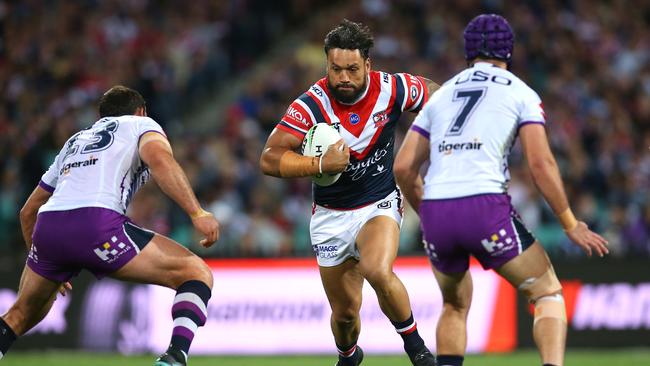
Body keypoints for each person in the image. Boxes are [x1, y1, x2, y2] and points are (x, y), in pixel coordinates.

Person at [394, 14, 609, 366]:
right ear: (509, 51)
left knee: (454, 305)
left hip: (436, 210)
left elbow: (403, 167)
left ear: (467, 52)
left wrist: (428, 211)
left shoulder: (442, 94)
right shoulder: (519, 91)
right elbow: (541, 165)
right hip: (484, 206)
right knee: (548, 293)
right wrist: (571, 223)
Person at [260, 19, 438, 366]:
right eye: (335, 69)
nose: (343, 77)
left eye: (352, 69)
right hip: (329, 215)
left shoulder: (392, 89)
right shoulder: (311, 104)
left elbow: (433, 92)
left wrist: (442, 130)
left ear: (367, 65)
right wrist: (320, 164)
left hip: (379, 203)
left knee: (377, 270)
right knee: (344, 316)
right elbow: (269, 159)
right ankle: (348, 355)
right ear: (326, 64)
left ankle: (417, 350)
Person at [0, 86, 219, 366]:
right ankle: (175, 357)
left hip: (48, 227)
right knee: (196, 272)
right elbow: (161, 160)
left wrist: (43, 259)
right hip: (96, 225)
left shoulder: (75, 141)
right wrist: (196, 211)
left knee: (19, 315)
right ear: (140, 111)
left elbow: (28, 211)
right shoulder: (141, 124)